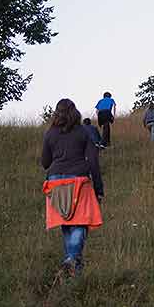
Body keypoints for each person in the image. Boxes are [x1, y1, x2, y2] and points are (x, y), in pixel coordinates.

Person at [41, 99, 104, 278]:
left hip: (54, 182)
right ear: (75, 112)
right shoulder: (83, 132)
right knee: (80, 223)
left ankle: (73, 274)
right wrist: (99, 189)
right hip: (78, 180)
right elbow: (93, 162)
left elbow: (45, 163)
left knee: (67, 225)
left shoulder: (50, 134)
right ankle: (70, 259)